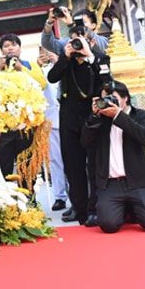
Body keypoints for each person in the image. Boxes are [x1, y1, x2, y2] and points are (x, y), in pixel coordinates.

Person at [46, 22, 110, 227]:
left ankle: (95, 209)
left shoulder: (100, 59)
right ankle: (80, 209)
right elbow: (52, 76)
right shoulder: (67, 61)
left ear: (90, 40)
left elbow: (106, 82)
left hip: (93, 120)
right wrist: (65, 57)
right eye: (73, 40)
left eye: (80, 40)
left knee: (93, 166)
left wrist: (89, 56)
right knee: (73, 168)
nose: (76, 45)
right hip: (69, 121)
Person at [80, 81, 145, 233]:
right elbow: (85, 142)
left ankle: (131, 210)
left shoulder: (142, 116)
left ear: (125, 99)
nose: (108, 102)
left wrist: (118, 115)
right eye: (104, 99)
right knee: (108, 225)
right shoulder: (100, 120)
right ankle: (124, 210)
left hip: (138, 181)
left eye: (113, 98)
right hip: (111, 184)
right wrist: (94, 117)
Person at [0, 34, 46, 184]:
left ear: (20, 48)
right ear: (1, 50)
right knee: (4, 162)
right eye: (6, 46)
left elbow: (41, 84)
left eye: (13, 44)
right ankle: (10, 198)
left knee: (28, 162)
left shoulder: (30, 65)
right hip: (5, 125)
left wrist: (21, 68)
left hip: (27, 123)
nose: (10, 48)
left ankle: (30, 196)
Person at [38, 47, 70, 212]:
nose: (47, 55)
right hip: (50, 120)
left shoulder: (67, 66)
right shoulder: (37, 71)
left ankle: (76, 193)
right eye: (44, 52)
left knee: (73, 159)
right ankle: (60, 196)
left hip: (69, 118)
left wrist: (59, 62)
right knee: (55, 160)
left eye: (50, 52)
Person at [41, 6, 108, 56]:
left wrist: (72, 25)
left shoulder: (102, 41)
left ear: (93, 25)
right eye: (76, 22)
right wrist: (49, 22)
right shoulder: (69, 43)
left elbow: (99, 47)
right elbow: (47, 43)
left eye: (83, 22)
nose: (79, 25)